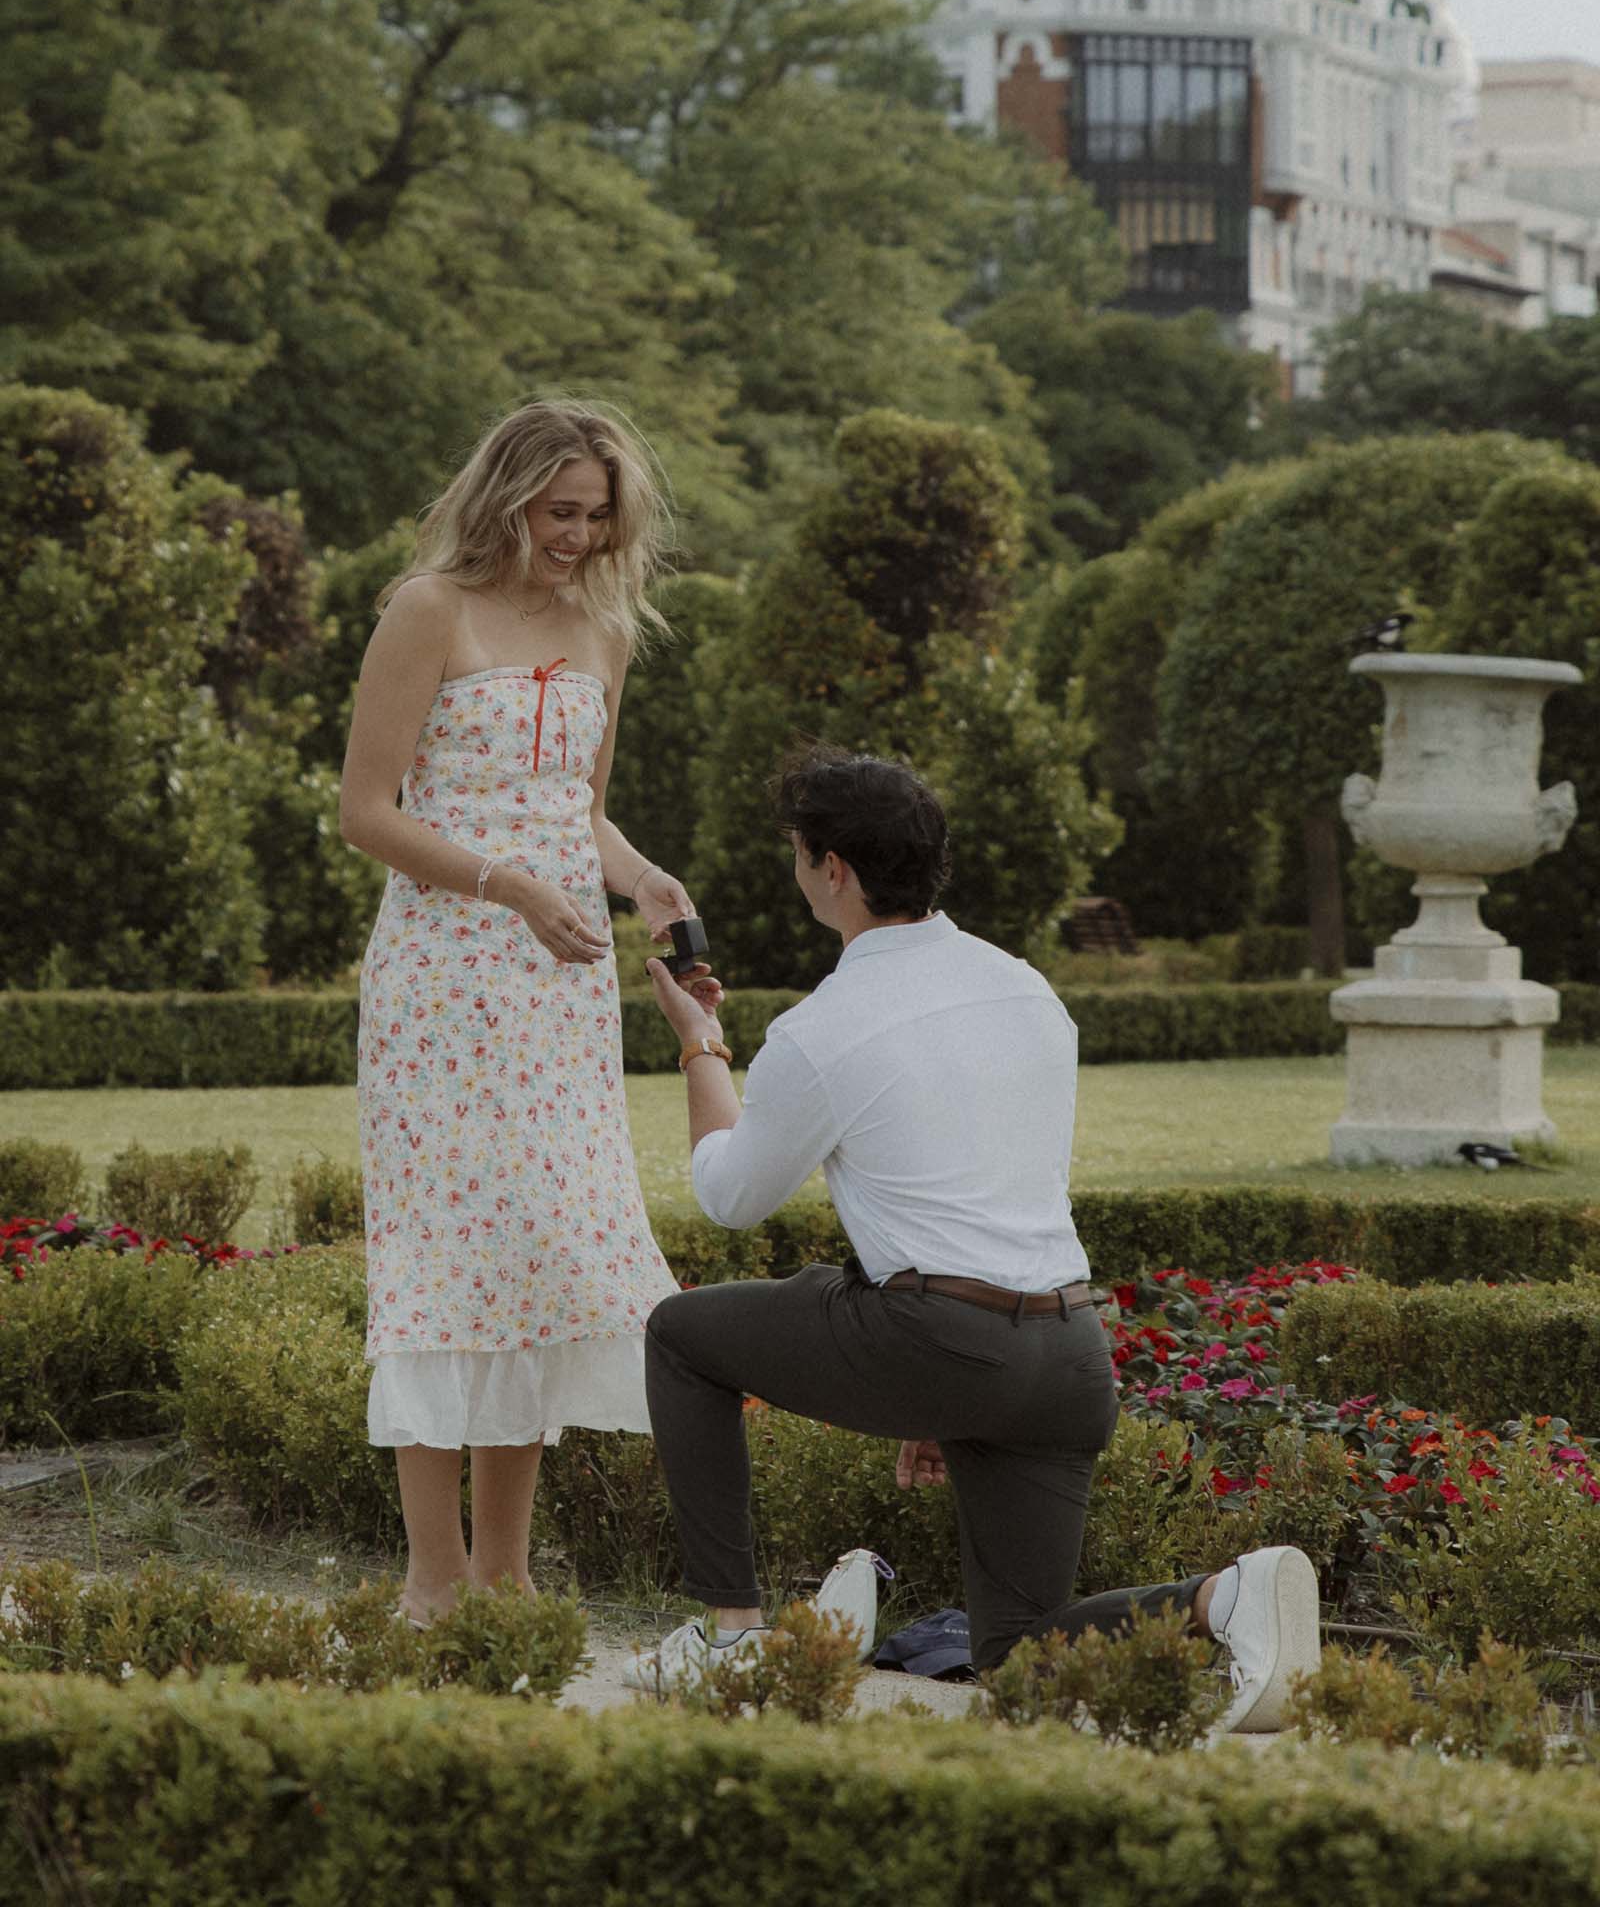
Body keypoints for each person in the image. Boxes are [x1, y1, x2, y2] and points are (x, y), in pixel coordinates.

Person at [633, 745, 1322, 1731]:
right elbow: (975, 1199)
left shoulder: (822, 1030)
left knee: (680, 1335)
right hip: (1067, 1355)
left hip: (946, 1341)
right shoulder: (1027, 992)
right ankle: (1222, 1597)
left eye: (798, 853)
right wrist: (935, 1390)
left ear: (832, 870)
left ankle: (728, 1636)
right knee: (1019, 1657)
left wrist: (700, 1041)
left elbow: (730, 1196)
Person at [340, 398, 697, 1628]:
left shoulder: (604, 632)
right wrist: (504, 886)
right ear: (505, 496)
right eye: (560, 513)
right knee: (444, 1260)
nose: (579, 538)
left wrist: (640, 878)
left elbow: (573, 809)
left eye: (598, 517)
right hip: (443, 982)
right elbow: (368, 812)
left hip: (558, 986)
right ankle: (432, 1577)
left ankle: (508, 1569)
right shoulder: (427, 609)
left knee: (537, 1259)